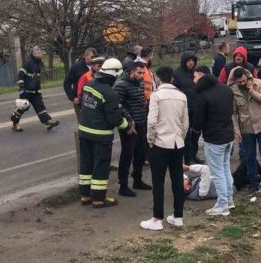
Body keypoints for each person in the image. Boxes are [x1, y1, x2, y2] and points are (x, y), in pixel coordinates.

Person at [78, 58, 134, 208]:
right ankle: (98, 198)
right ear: (113, 75)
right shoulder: (109, 93)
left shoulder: (88, 85)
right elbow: (115, 118)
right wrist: (127, 125)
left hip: (84, 132)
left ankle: (85, 195)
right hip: (100, 135)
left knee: (86, 163)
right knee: (101, 165)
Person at [140, 66, 189, 231]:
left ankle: (157, 218)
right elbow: (185, 122)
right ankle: (178, 216)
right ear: (172, 78)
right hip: (177, 143)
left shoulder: (156, 96)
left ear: (158, 79)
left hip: (160, 143)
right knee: (177, 180)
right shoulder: (182, 96)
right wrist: (180, 137)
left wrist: (150, 140)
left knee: (158, 181)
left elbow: (152, 121)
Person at [192, 65, 236, 216]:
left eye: (196, 76)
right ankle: (229, 199)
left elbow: (198, 120)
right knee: (225, 169)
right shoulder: (226, 89)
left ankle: (222, 204)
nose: (194, 79)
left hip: (214, 138)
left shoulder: (203, 95)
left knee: (217, 173)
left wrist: (196, 131)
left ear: (202, 76)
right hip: (228, 135)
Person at [228, 67, 261, 199]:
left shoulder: (258, 83)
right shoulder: (233, 91)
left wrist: (253, 92)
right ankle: (253, 184)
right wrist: (236, 131)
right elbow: (233, 113)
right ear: (236, 81)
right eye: (240, 82)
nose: (243, 83)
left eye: (244, 80)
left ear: (248, 77)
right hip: (246, 128)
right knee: (249, 158)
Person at [114, 61, 151, 197]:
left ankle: (138, 180)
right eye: (139, 73)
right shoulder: (121, 85)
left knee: (140, 154)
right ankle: (123, 185)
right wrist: (130, 120)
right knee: (127, 154)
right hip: (129, 126)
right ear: (131, 72)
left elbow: (142, 102)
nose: (142, 75)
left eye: (143, 73)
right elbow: (117, 105)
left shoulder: (140, 83)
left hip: (141, 123)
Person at [10, 45, 60, 132]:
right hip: (26, 91)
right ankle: (15, 124)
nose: (38, 53)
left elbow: (36, 78)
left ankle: (47, 122)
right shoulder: (28, 63)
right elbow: (20, 76)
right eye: (36, 52)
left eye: (39, 52)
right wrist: (21, 88)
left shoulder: (39, 63)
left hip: (36, 91)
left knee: (40, 107)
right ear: (32, 54)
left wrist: (38, 89)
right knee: (22, 107)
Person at [173, 51, 202, 164]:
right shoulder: (177, 74)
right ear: (184, 61)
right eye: (189, 61)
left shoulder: (195, 73)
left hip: (196, 108)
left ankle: (194, 155)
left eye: (193, 61)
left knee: (196, 134)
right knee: (186, 135)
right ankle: (187, 158)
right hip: (184, 109)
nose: (191, 63)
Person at [63, 47, 98, 118]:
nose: (93, 59)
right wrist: (72, 98)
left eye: (94, 57)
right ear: (85, 56)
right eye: (91, 57)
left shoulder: (97, 67)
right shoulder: (76, 67)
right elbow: (66, 83)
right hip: (79, 100)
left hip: (94, 100)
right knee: (82, 122)